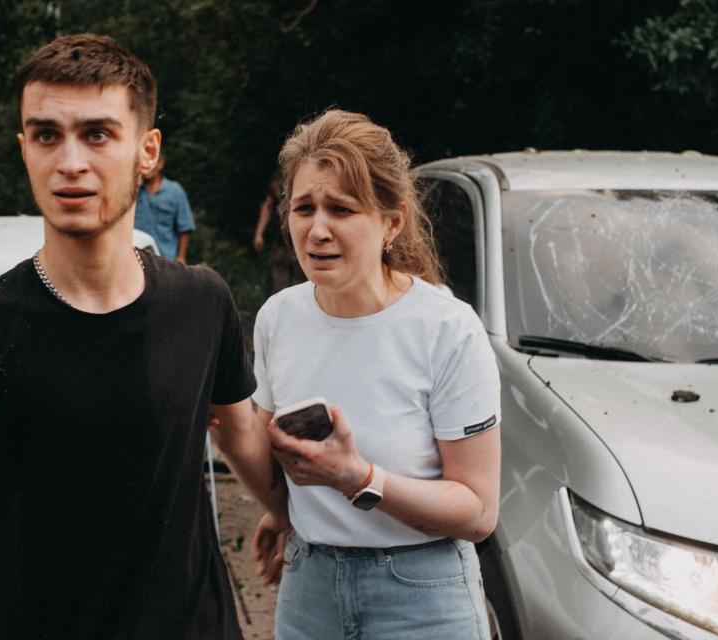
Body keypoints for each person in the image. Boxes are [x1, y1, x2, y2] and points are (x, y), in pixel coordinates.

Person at [0, 34, 283, 640]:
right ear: (24, 149)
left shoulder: (201, 302)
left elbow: (243, 437)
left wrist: (298, 514)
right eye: (47, 135)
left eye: (98, 134)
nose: (70, 162)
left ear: (148, 150)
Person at [251, 109, 502, 639]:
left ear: (392, 222)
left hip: (422, 594)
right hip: (310, 587)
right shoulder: (279, 318)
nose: (317, 230)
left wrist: (359, 480)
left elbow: (478, 512)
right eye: (304, 208)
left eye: (341, 209)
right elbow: (276, 448)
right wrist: (284, 510)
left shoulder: (446, 328)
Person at [133, 151, 195, 263]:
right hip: (137, 258)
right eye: (143, 163)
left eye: (150, 162)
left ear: (160, 164)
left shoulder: (175, 191)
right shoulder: (135, 190)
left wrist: (181, 256)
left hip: (165, 258)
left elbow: (185, 227)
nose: (146, 167)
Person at [252, 173, 305, 293]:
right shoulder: (276, 182)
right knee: (279, 284)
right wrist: (259, 234)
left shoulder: (300, 181)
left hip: (297, 242)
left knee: (302, 283)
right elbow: (267, 207)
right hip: (279, 243)